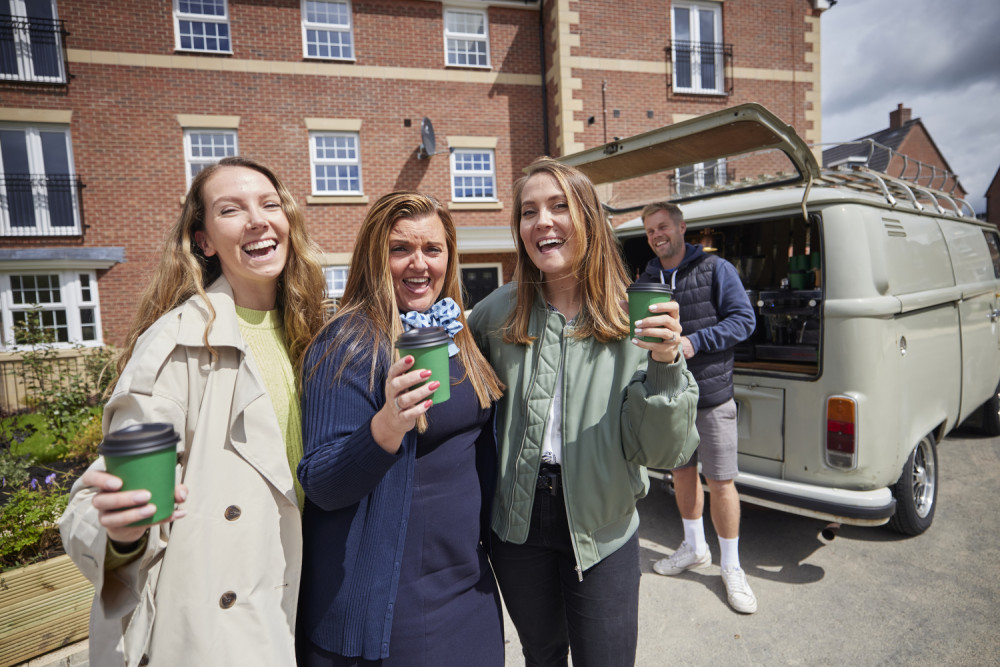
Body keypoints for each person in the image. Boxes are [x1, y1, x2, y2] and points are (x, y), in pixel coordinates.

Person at [58, 156, 328, 665]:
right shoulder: (178, 343)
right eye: (231, 210)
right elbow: (104, 492)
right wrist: (119, 527)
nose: (257, 220)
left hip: (302, 593)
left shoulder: (310, 333)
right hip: (219, 621)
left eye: (269, 204)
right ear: (204, 241)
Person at [467, 157, 700, 667]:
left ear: (589, 219)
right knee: (542, 655)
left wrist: (666, 362)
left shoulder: (634, 315)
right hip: (517, 525)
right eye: (529, 212)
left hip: (603, 527)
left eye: (558, 206)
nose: (542, 221)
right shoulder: (492, 316)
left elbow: (665, 452)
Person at [296, 192, 506, 666]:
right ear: (375, 256)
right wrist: (388, 425)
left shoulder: (453, 331)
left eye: (432, 249)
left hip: (467, 585)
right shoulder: (347, 342)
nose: (419, 263)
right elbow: (322, 483)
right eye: (400, 249)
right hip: (395, 602)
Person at [639, 201, 758, 614]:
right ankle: (693, 547)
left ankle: (732, 567)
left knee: (722, 481)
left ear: (681, 227)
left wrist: (694, 341)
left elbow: (744, 320)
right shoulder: (649, 277)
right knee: (681, 473)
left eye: (662, 227)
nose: (657, 236)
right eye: (650, 230)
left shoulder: (715, 269)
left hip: (711, 397)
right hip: (672, 397)